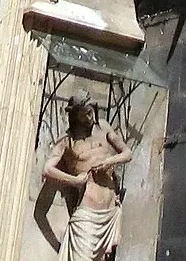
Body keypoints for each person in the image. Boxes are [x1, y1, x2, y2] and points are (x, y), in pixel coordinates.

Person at [42, 96, 132, 261]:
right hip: (87, 216)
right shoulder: (67, 141)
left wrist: (109, 162)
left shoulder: (104, 128)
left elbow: (127, 153)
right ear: (75, 117)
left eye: (90, 112)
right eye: (84, 115)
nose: (89, 118)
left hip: (109, 212)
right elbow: (47, 169)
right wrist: (74, 180)